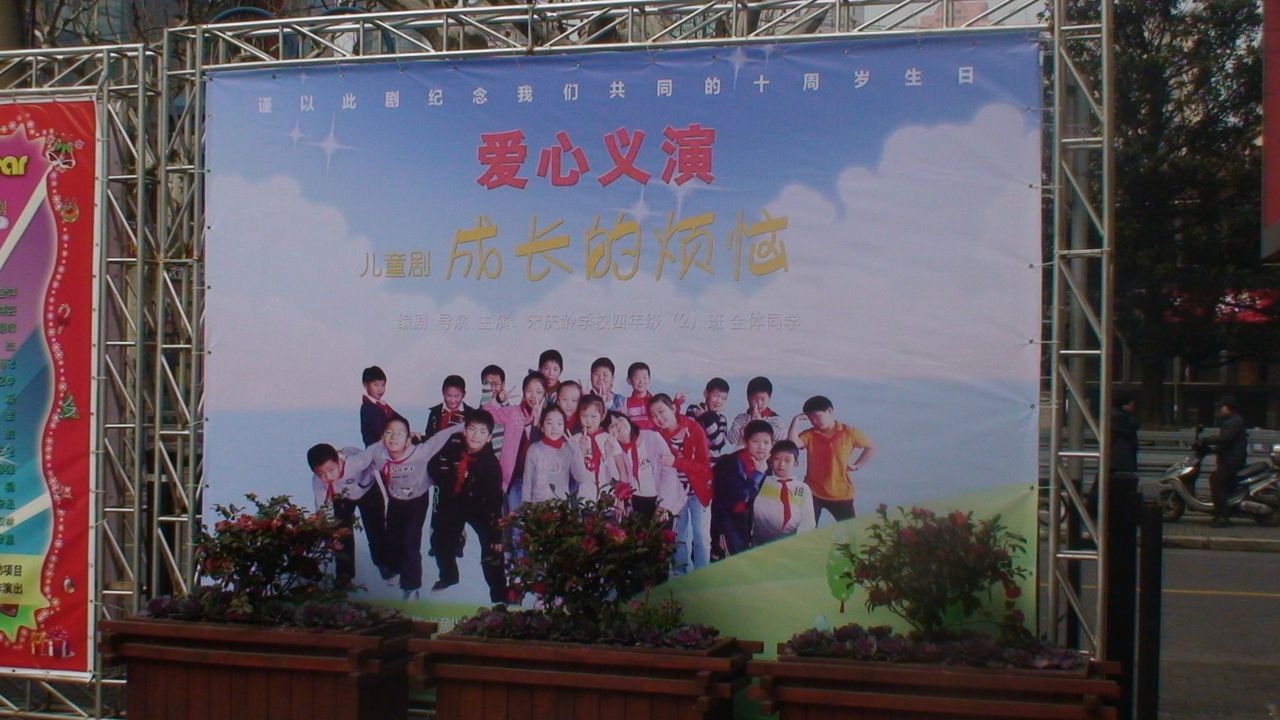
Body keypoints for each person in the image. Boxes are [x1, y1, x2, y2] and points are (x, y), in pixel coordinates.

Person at [372, 415, 462, 600]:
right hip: (395, 500)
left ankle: (412, 586)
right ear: (382, 438)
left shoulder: (420, 452)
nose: (394, 437)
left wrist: (463, 426)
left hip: (416, 502)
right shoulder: (378, 455)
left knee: (410, 543)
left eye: (400, 433)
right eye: (389, 433)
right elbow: (359, 459)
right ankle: (395, 570)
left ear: (408, 439)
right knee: (393, 538)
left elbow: (440, 437)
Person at [425, 410, 507, 601]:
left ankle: (499, 595)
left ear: (489, 438)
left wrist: (496, 534)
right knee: (439, 541)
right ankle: (449, 576)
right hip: (454, 501)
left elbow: (495, 500)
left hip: (481, 507)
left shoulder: (491, 465)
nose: (476, 436)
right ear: (464, 431)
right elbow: (434, 466)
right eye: (472, 429)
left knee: (493, 550)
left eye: (482, 432)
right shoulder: (452, 444)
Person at [306, 443, 391, 585]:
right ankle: (344, 576)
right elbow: (322, 508)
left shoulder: (355, 462)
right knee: (341, 534)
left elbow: (373, 450)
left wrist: (390, 440)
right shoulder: (318, 482)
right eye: (321, 474)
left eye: (331, 470)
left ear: (339, 462)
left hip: (368, 491)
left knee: (376, 530)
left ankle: (384, 562)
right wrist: (326, 532)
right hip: (342, 497)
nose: (328, 476)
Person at [649, 393, 713, 574]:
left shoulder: (694, 429)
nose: (658, 418)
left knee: (701, 537)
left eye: (661, 411)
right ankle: (680, 576)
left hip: (698, 492)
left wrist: (676, 462)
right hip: (676, 495)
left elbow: (705, 468)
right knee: (679, 537)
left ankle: (703, 577)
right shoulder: (657, 436)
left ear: (673, 408)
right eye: (653, 415)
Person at [788, 395, 876, 523]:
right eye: (811, 418)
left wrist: (857, 465)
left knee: (850, 530)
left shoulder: (848, 433)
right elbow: (792, 445)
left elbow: (871, 447)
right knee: (806, 528)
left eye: (817, 416)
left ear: (830, 411)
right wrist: (795, 421)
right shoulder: (810, 435)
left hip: (841, 493)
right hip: (813, 492)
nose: (814, 421)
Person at [710, 419, 773, 559]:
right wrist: (757, 474)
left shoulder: (766, 464)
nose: (761, 447)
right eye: (755, 441)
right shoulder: (730, 462)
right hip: (728, 524)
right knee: (730, 562)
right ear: (746, 441)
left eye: (766, 442)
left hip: (750, 524)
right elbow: (739, 497)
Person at [608, 411, 679, 522]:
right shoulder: (617, 451)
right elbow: (617, 477)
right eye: (612, 425)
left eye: (620, 419)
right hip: (636, 502)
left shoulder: (652, 437)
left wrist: (663, 505)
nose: (618, 424)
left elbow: (669, 473)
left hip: (662, 500)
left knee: (663, 532)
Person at [522, 407, 595, 503]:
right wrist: (526, 508)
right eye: (549, 423)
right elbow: (527, 484)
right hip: (538, 508)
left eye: (559, 424)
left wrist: (576, 451)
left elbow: (581, 479)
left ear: (564, 427)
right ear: (542, 427)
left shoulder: (568, 449)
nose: (554, 428)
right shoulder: (534, 449)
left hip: (562, 507)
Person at [1197, 395, 1249, 527]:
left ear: (1228, 407)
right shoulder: (1233, 420)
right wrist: (1213, 449)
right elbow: (1227, 442)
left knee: (1216, 481)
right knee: (1225, 484)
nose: (1220, 409)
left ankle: (1222, 516)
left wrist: (1206, 440)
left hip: (1231, 460)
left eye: (1222, 406)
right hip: (1232, 458)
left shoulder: (1232, 421)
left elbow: (1226, 438)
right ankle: (1227, 509)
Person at [753, 440, 817, 545]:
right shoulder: (761, 481)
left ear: (796, 463)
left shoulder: (803, 488)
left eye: (787, 460)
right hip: (761, 543)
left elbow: (808, 521)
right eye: (777, 459)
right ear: (770, 460)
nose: (781, 464)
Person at [576, 394, 628, 496]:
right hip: (584, 497)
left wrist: (622, 496)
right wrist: (580, 452)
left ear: (603, 416)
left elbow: (622, 470)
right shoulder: (574, 440)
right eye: (584, 416)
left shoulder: (610, 439)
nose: (588, 421)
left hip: (609, 497)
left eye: (594, 416)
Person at [727, 376, 787, 445]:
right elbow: (731, 439)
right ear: (748, 398)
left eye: (763, 399)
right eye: (755, 399)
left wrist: (761, 423)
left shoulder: (776, 419)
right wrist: (749, 424)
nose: (759, 403)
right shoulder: (740, 419)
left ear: (769, 398)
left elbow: (783, 437)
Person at [686, 378, 731, 459]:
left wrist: (706, 418)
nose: (719, 401)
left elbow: (719, 442)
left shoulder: (722, 419)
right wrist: (712, 436)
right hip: (694, 461)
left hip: (714, 464)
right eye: (716, 396)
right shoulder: (693, 409)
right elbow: (690, 436)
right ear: (706, 393)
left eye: (723, 398)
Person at [360, 366, 401, 447]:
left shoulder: (383, 405)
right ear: (365, 385)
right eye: (376, 385)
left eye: (383, 385)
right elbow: (381, 430)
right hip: (377, 449)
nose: (380, 389)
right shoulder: (368, 408)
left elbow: (401, 420)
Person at [424, 375, 472, 440]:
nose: (452, 400)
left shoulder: (471, 414)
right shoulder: (435, 412)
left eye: (456, 396)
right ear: (443, 392)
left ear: (463, 394)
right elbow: (429, 436)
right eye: (449, 395)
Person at [479, 364, 507, 453]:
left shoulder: (509, 411)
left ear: (503, 385)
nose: (492, 389)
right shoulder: (478, 414)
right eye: (488, 385)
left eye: (496, 384)